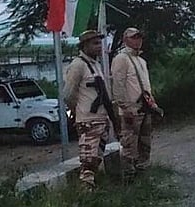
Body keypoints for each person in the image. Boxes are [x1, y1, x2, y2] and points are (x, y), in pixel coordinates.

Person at [63, 30, 110, 190]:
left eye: (99, 43)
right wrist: (77, 111)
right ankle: (85, 198)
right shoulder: (78, 65)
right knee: (88, 163)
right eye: (94, 43)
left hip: (101, 119)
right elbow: (68, 94)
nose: (98, 47)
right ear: (84, 46)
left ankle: (92, 193)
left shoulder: (95, 64)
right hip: (88, 121)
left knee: (96, 159)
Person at [111, 27, 154, 180]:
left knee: (145, 142)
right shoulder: (121, 59)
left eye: (139, 37)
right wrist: (125, 107)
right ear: (125, 40)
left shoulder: (140, 60)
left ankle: (143, 173)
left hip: (144, 108)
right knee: (130, 145)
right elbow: (118, 85)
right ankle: (129, 178)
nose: (138, 40)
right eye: (134, 37)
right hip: (131, 110)